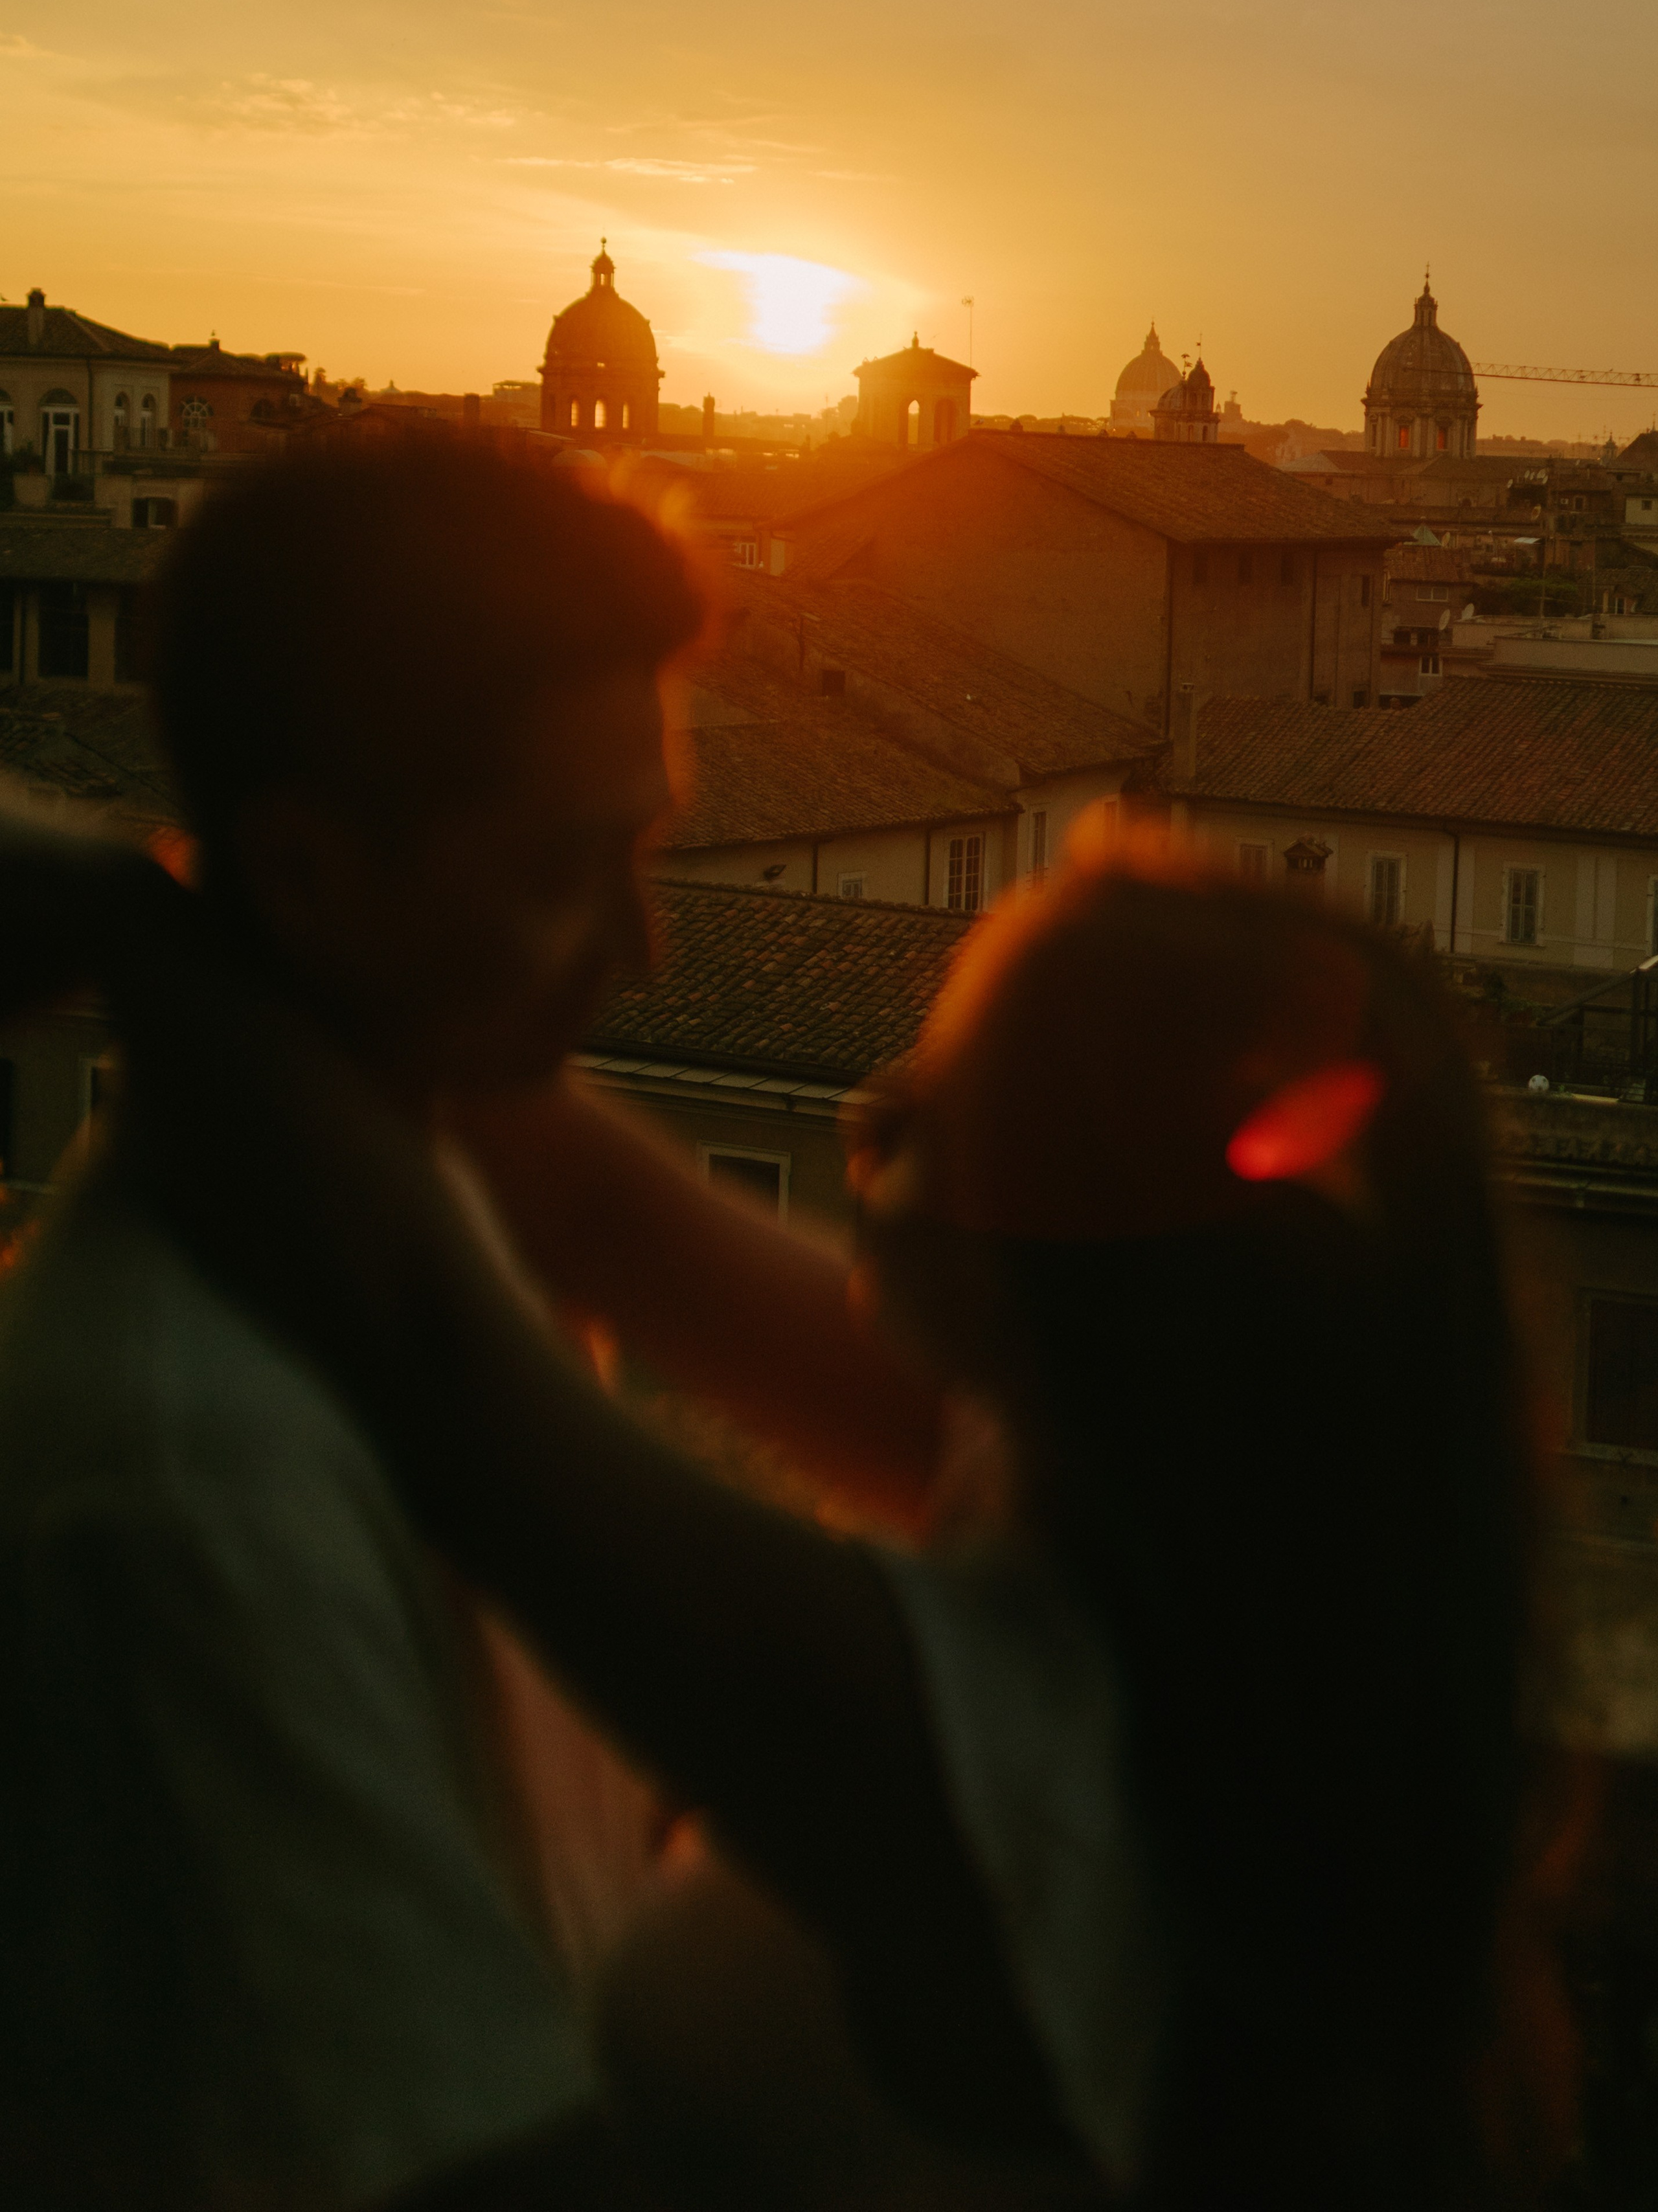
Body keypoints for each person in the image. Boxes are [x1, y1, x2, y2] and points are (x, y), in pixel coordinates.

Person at [42, 828, 1568, 2209]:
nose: (858, 1116)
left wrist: (131, 926)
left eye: (925, 1108)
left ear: (1067, 1269)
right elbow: (590, 1208)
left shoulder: (993, 1772)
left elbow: (428, 1336)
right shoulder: (1167, 1525)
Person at [0, 433, 948, 2212]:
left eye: (646, 850)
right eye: (561, 868)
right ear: (304, 873)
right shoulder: (188, 1479)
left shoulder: (425, 1162)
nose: (643, 952)